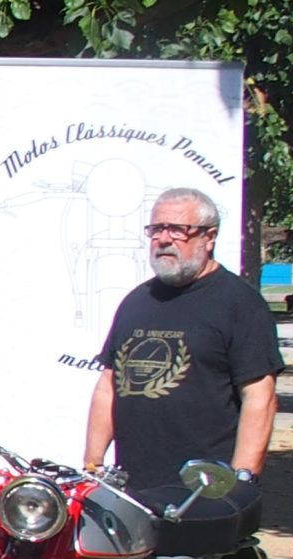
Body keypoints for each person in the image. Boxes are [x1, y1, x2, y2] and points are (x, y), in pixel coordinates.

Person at [83, 188, 281, 503]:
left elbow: (260, 397)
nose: (163, 239)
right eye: (156, 229)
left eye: (177, 230)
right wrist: (92, 468)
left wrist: (240, 482)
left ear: (209, 237)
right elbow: (108, 386)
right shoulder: (137, 301)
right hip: (132, 491)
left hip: (203, 491)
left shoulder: (240, 304)